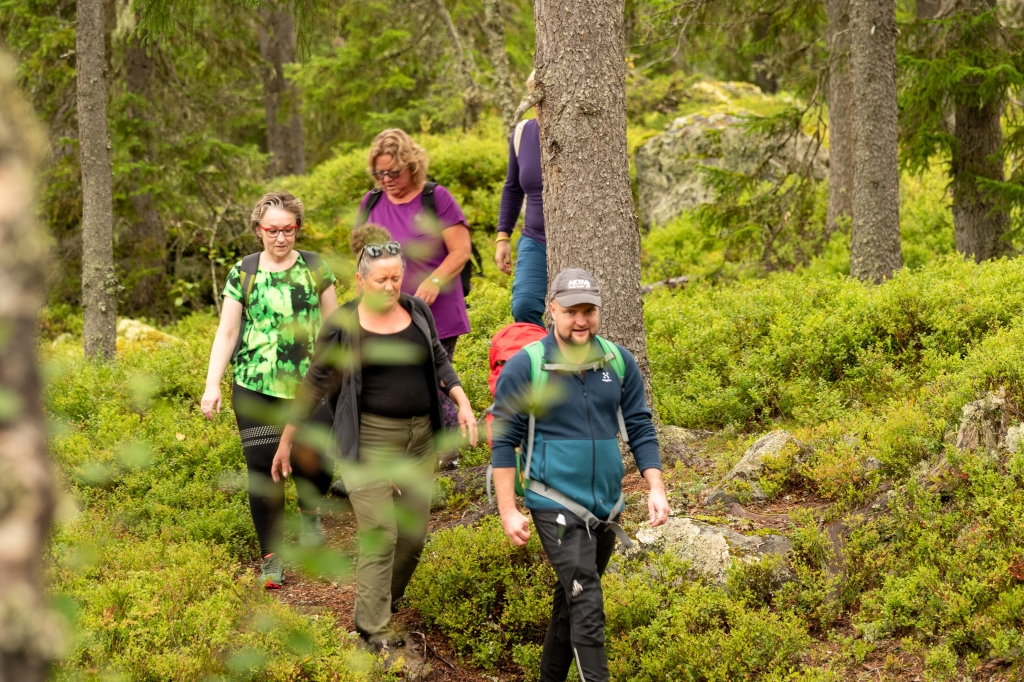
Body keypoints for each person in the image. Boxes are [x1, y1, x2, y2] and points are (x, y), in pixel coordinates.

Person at [271, 228, 479, 651]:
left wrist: (461, 399)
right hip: (367, 441)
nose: (389, 286)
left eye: (395, 278)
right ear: (361, 281)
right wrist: (288, 439)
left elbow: (438, 357)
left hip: (420, 438)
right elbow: (314, 383)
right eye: (381, 279)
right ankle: (373, 628)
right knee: (382, 531)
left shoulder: (417, 310)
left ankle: (385, 596)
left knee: (413, 536)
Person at [490, 268, 670, 682]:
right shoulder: (527, 366)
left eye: (589, 310)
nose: (581, 320)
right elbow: (504, 441)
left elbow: (640, 426)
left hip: (607, 505)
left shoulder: (618, 362)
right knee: (586, 598)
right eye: (571, 311)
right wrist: (507, 508)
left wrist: (655, 486)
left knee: (569, 601)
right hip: (552, 500)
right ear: (552, 308)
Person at [201, 191, 338, 590]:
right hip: (255, 387)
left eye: (288, 230)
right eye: (272, 230)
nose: (281, 238)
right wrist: (212, 385)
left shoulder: (316, 268)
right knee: (264, 471)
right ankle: (272, 557)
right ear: (258, 230)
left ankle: (311, 511)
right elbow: (227, 332)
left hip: (310, 387)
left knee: (314, 459)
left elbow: (335, 328)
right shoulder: (242, 272)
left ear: (297, 228)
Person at [357, 128, 472, 440]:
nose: (386, 179)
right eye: (379, 173)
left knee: (432, 379)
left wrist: (435, 280)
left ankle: (451, 448)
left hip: (436, 313)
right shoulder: (371, 203)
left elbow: (461, 250)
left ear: (412, 165)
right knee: (396, 383)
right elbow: (363, 260)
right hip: (387, 314)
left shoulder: (435, 198)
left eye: (393, 172)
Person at [495, 71, 547, 327]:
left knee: (576, 309)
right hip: (535, 239)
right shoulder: (522, 132)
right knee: (525, 307)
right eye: (535, 97)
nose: (540, 105)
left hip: (582, 241)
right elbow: (513, 187)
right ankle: (546, 364)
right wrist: (502, 236)